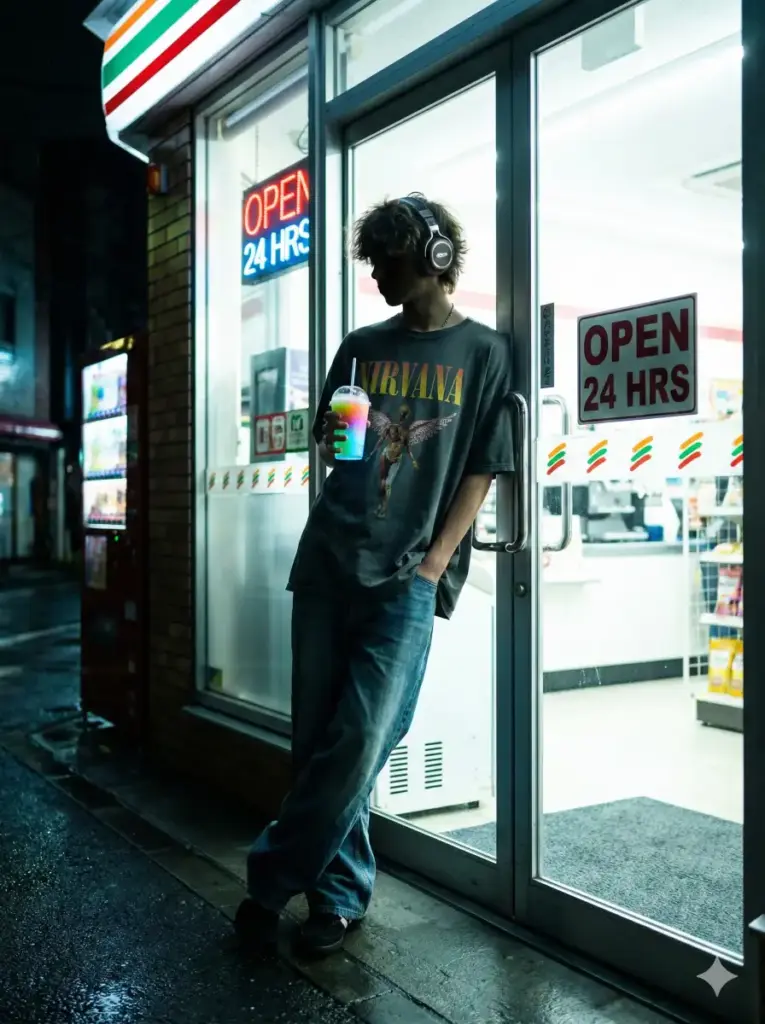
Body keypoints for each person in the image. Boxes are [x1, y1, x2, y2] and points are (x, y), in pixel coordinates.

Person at [235, 192, 514, 956]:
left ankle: (268, 877)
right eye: (372, 264)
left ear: (432, 258)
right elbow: (339, 453)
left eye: (387, 262)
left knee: (360, 739)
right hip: (327, 565)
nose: (378, 277)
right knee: (318, 743)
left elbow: (481, 471)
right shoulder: (360, 342)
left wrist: (429, 566)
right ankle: (339, 898)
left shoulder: (483, 354)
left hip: (405, 583)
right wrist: (349, 440)